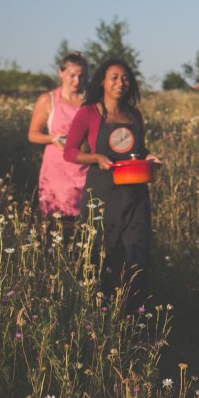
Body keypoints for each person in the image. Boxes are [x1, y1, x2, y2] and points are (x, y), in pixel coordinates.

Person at [63, 58, 161, 311]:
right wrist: (95, 157)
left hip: (136, 193)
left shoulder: (134, 115)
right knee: (99, 252)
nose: (120, 83)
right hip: (102, 193)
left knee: (137, 253)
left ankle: (136, 311)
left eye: (125, 78)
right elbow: (70, 152)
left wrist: (149, 157)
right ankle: (98, 309)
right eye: (114, 77)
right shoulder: (88, 113)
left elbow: (138, 150)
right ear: (103, 82)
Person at [27, 52, 89, 236]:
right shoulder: (49, 100)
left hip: (83, 169)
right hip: (56, 172)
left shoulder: (89, 102)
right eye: (72, 75)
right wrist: (52, 138)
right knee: (55, 222)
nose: (76, 80)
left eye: (81, 75)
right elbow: (33, 134)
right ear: (60, 73)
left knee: (82, 221)